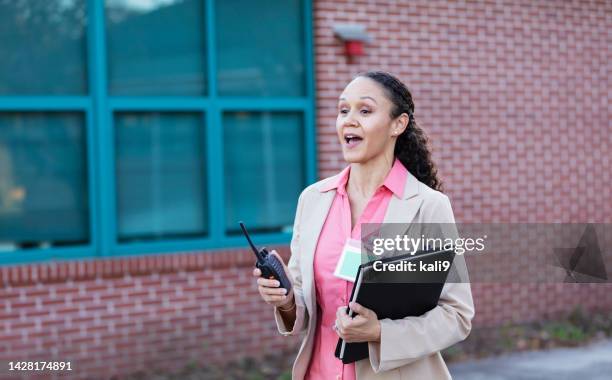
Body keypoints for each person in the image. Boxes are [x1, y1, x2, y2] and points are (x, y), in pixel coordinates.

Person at [252, 71, 474, 379]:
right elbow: (305, 304)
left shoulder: (427, 205)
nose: (349, 120)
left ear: (399, 124)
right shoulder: (313, 199)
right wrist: (287, 300)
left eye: (365, 110)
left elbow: (456, 315)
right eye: (344, 110)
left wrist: (380, 332)